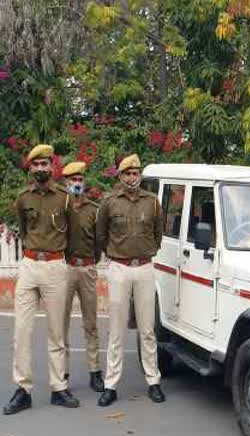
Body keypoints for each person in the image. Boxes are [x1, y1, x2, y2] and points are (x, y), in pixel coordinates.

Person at [3, 144, 80, 415]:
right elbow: (24, 230)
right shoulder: (23, 198)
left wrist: (59, 259)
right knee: (22, 331)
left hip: (56, 265)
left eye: (44, 164)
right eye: (35, 164)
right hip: (29, 265)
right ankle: (22, 390)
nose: (40, 168)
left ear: (52, 166)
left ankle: (59, 387)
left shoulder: (65, 198)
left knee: (56, 331)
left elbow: (72, 234)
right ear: (30, 167)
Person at [95, 154, 166, 407]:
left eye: (136, 173)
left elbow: (158, 233)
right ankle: (111, 385)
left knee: (148, 330)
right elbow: (101, 235)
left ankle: (153, 381)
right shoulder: (109, 202)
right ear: (121, 176)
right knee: (116, 331)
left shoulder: (153, 202)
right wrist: (116, 255)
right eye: (128, 173)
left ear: (140, 176)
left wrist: (146, 250)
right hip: (119, 269)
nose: (133, 178)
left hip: (145, 267)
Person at [61, 161, 104, 393]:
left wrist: (92, 262)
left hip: (87, 268)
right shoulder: (60, 207)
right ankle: (62, 373)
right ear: (65, 183)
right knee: (61, 323)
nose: (76, 184)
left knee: (91, 324)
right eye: (72, 180)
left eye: (79, 180)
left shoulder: (93, 209)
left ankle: (95, 372)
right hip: (65, 269)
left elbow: (98, 242)